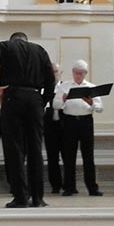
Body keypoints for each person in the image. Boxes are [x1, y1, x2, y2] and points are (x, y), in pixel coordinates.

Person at [0, 32, 56, 208]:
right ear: (26, 40)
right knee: (35, 149)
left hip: (12, 98)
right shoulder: (39, 50)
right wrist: (43, 101)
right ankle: (38, 198)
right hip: (34, 99)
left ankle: (21, 197)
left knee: (15, 149)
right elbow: (50, 79)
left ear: (12, 40)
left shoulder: (4, 46)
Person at [53, 60, 104, 196]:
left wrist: (92, 102)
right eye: (76, 73)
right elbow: (55, 105)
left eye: (81, 73)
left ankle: (92, 188)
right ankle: (69, 187)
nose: (78, 76)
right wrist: (63, 100)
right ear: (73, 72)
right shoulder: (64, 86)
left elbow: (100, 108)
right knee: (69, 156)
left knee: (88, 156)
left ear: (85, 73)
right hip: (69, 122)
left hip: (86, 121)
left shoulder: (91, 87)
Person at [43, 63, 64, 194]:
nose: (53, 74)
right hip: (49, 126)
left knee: (67, 156)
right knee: (52, 157)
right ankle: (55, 185)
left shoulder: (66, 87)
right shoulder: (44, 88)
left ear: (61, 72)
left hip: (64, 126)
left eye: (56, 71)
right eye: (51, 71)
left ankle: (68, 185)